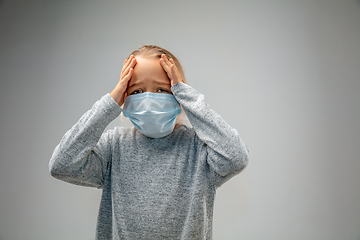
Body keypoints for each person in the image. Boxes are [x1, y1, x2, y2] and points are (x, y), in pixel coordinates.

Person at [49, 45, 249, 240]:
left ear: (178, 95)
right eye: (137, 91)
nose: (149, 99)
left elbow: (236, 156)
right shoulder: (113, 147)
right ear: (124, 98)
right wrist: (110, 102)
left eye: (162, 89)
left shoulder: (200, 150)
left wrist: (187, 95)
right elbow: (62, 164)